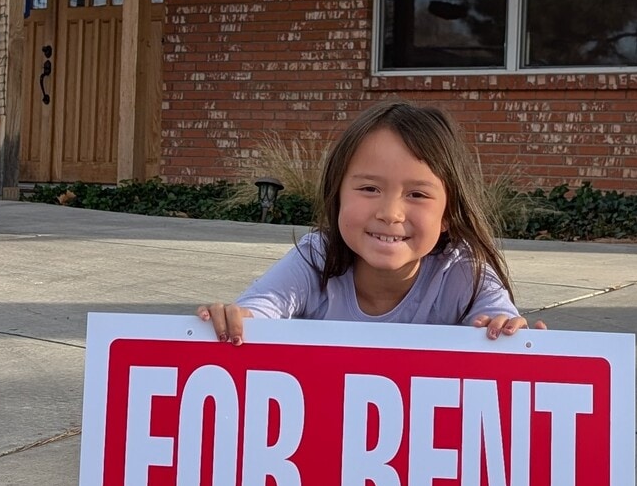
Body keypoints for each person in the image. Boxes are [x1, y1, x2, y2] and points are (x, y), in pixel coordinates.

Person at [199, 101, 541, 342]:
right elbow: (261, 307)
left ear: (448, 214)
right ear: (338, 195)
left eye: (417, 195)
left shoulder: (464, 270)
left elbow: (499, 317)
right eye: (369, 188)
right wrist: (240, 320)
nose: (389, 213)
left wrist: (511, 335)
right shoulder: (316, 257)